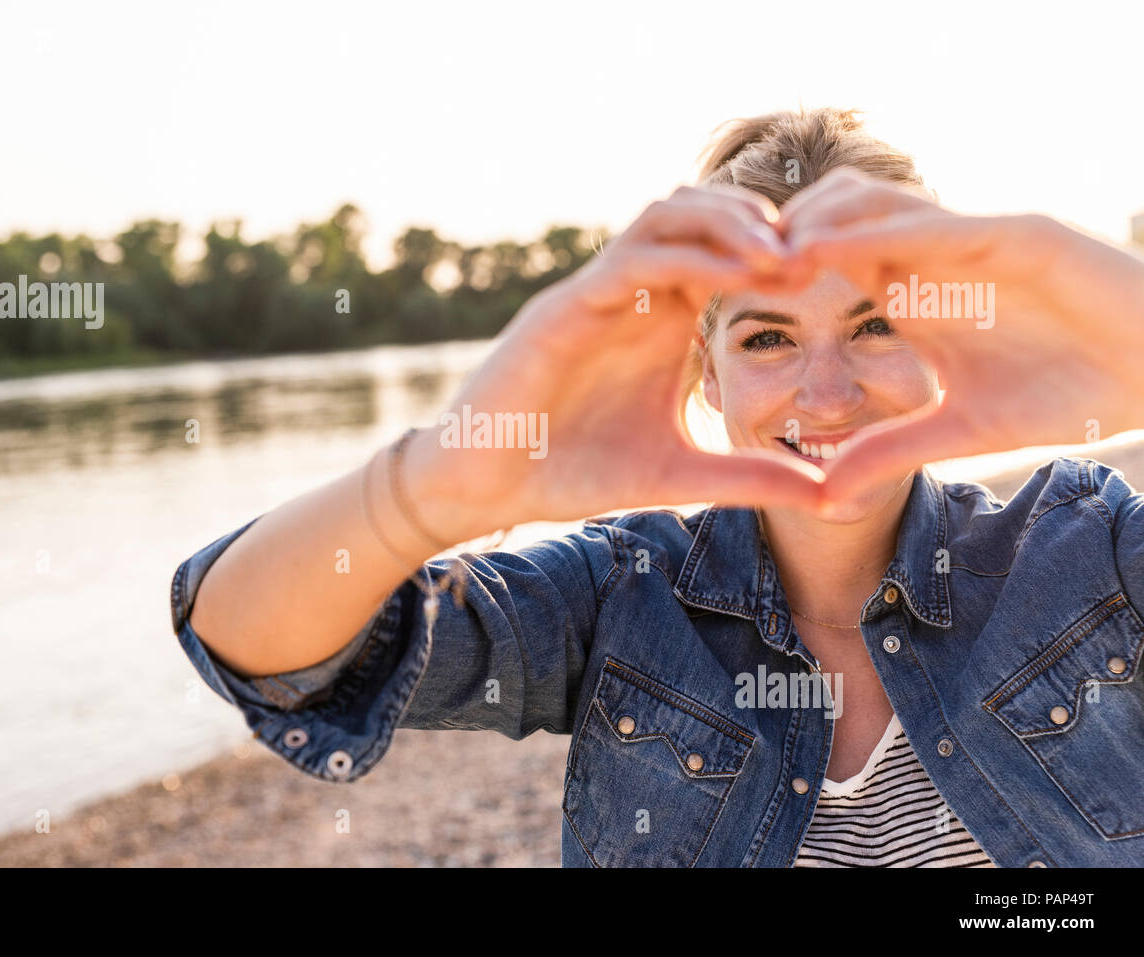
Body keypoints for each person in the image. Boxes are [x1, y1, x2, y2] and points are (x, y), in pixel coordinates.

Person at [170, 107, 1144, 867]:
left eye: (876, 324)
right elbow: (257, 647)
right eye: (767, 338)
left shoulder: (1084, 544)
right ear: (706, 374)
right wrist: (436, 488)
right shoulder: (622, 593)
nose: (828, 391)